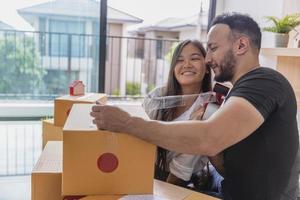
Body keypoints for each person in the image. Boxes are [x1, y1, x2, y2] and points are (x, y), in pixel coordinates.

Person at [91, 13, 299, 200]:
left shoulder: (264, 81)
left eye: (213, 49)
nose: (208, 59)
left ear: (241, 46)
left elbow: (208, 138)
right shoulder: (237, 93)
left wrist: (126, 123)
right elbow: (228, 165)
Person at [142, 39, 223, 196]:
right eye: (179, 60)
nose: (186, 64)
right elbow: (138, 136)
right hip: (144, 168)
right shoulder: (157, 96)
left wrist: (159, 194)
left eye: (194, 58)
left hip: (176, 180)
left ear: (207, 68)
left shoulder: (210, 109)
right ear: (173, 68)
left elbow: (181, 169)